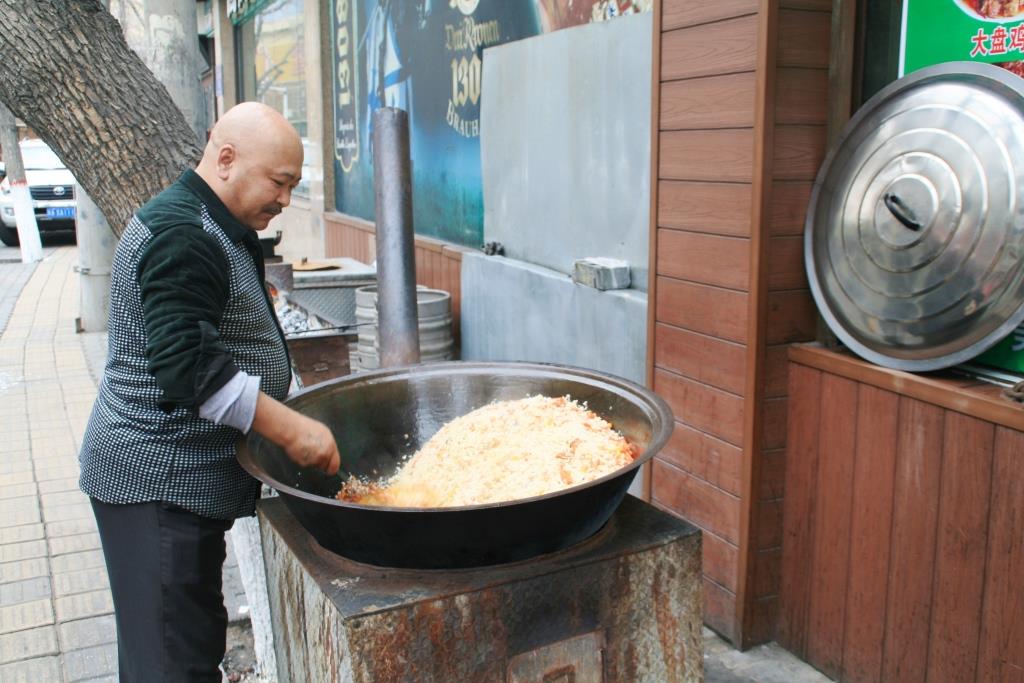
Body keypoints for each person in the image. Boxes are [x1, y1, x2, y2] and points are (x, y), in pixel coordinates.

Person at [78, 102, 341, 682]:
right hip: (155, 485)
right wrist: (291, 428)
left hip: (178, 487)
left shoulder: (219, 224)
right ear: (226, 159)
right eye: (279, 182)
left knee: (182, 647)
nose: (285, 200)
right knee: (172, 665)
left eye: (294, 186)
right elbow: (186, 366)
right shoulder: (183, 234)